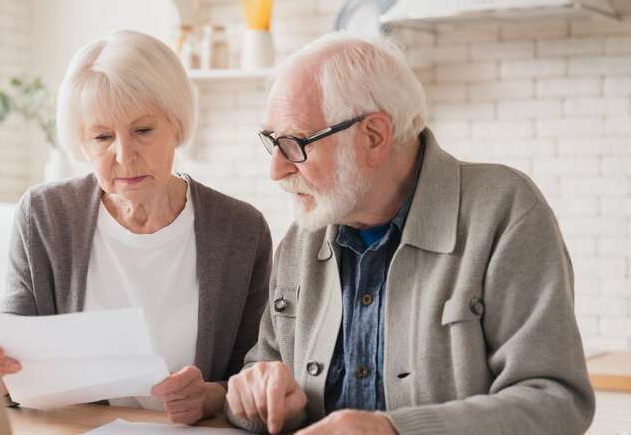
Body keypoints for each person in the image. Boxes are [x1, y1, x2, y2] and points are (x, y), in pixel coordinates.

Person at [225, 32, 595, 435]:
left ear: (374, 136)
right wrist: (257, 396)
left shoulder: (503, 210)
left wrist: (394, 429)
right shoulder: (304, 235)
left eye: (295, 143)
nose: (276, 169)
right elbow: (262, 371)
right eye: (272, 143)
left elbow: (556, 404)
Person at [0, 30, 272, 425]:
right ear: (82, 144)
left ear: (176, 125)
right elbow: (13, 370)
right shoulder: (43, 216)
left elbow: (258, 371)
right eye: (102, 137)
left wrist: (212, 396)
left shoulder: (241, 230)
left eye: (143, 131)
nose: (124, 155)